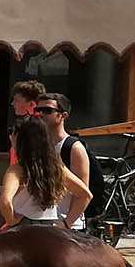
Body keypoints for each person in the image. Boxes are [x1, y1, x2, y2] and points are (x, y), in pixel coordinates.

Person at [1, 114, 91, 228]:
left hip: (24, 227)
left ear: (20, 138)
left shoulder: (17, 170)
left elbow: (5, 202)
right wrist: (66, 223)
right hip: (50, 227)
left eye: (12, 132)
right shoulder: (56, 168)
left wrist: (11, 220)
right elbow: (85, 195)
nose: (10, 136)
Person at [30, 92, 94, 225]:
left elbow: (83, 194)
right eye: (38, 110)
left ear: (63, 115)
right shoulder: (36, 144)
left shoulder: (73, 148)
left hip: (66, 227)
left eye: (47, 110)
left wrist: (66, 224)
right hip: (40, 223)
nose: (40, 114)